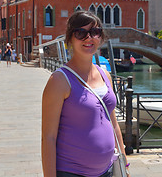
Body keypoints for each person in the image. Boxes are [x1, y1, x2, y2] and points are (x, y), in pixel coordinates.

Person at [42, 11, 129, 177]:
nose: (89, 38)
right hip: (71, 172)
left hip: (108, 170)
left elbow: (114, 124)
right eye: (81, 33)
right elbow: (48, 137)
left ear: (100, 37)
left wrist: (125, 163)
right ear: (70, 39)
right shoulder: (59, 80)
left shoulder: (105, 75)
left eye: (95, 32)